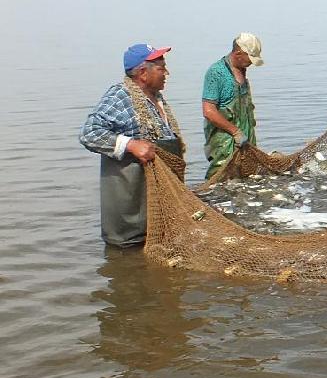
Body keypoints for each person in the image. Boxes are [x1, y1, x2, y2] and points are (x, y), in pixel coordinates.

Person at [80, 44, 184, 247]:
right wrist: (131, 145)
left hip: (157, 209)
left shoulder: (155, 97)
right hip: (131, 212)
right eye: (161, 68)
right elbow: (89, 133)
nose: (167, 73)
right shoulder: (121, 96)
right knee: (127, 257)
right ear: (143, 73)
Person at [201, 32, 264, 180]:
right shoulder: (216, 73)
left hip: (246, 140)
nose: (251, 63)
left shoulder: (242, 70)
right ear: (238, 53)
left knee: (247, 180)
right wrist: (235, 132)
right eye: (250, 58)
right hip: (225, 143)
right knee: (219, 179)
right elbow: (208, 111)